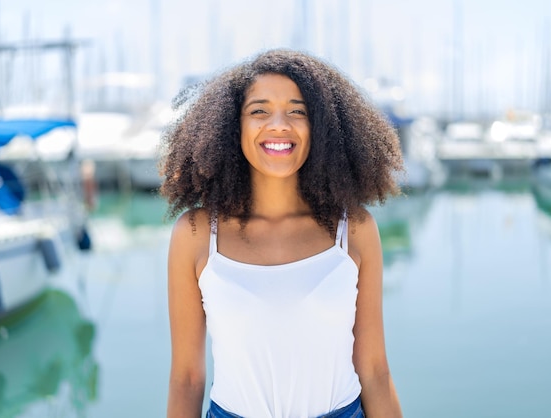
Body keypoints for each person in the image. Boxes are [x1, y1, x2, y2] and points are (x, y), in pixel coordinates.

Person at [160, 49, 404, 418]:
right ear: (231, 126)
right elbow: (187, 380)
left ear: (320, 129)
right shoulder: (195, 234)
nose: (279, 124)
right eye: (259, 110)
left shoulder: (353, 229)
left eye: (298, 111)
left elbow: (375, 372)